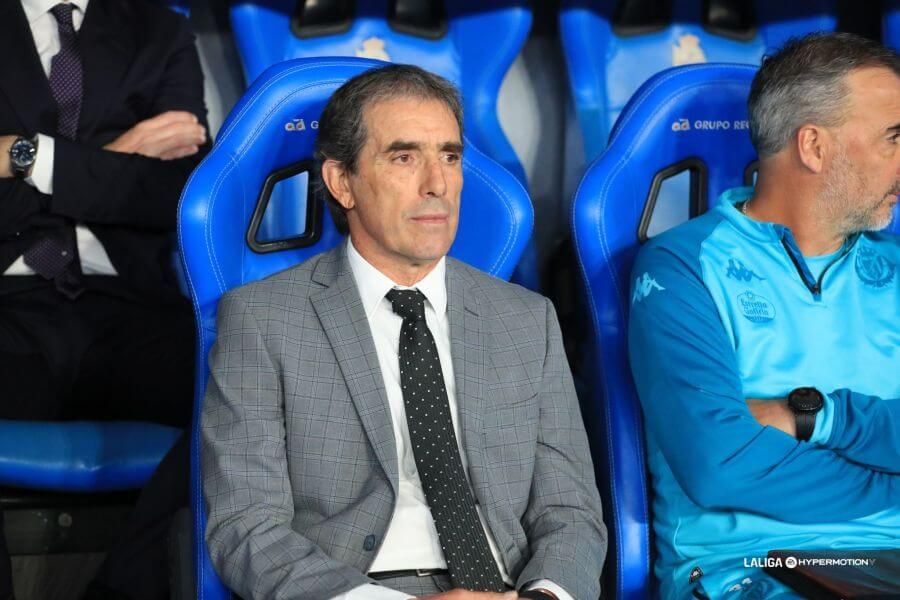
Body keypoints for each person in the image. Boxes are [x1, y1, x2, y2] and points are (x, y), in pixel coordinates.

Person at [201, 64, 606, 600]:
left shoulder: (528, 319)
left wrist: (542, 597)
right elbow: (246, 528)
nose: (437, 183)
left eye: (450, 156)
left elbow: (571, 511)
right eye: (403, 157)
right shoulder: (263, 320)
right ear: (341, 182)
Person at [628, 32, 900, 600]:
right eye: (892, 139)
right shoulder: (683, 267)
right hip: (750, 567)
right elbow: (718, 462)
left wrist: (816, 418)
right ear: (814, 147)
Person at [0, 0, 209, 597]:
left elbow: (177, 193)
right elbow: (138, 183)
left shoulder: (159, 29)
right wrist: (119, 158)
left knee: (256, 386)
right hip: (7, 303)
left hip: (127, 306)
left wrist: (27, 157)